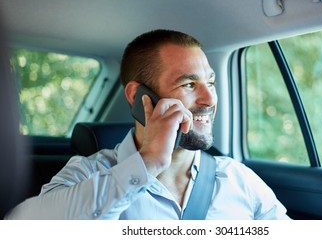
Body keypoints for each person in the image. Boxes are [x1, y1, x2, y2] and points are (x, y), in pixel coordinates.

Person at [6, 29, 290, 220]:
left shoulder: (238, 180)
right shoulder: (88, 173)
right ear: (138, 96)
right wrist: (148, 162)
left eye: (211, 83)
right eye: (189, 84)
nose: (209, 98)